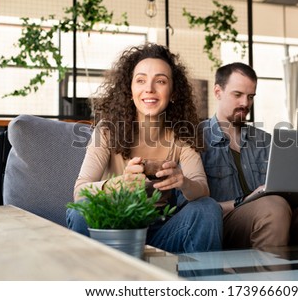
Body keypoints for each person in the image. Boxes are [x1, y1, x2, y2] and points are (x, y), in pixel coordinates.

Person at [66, 43, 223, 253]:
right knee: (81, 211)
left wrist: (182, 181)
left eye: (160, 81)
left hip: (162, 230)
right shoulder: (106, 131)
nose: (149, 88)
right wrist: (120, 184)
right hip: (113, 228)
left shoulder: (182, 135)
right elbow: (80, 193)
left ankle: (203, 285)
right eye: (140, 80)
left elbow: (202, 188)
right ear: (129, 91)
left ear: (173, 92)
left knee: (208, 208)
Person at [200, 62, 298, 250]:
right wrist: (246, 200)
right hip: (228, 222)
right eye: (237, 95)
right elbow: (193, 210)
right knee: (272, 206)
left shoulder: (266, 140)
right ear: (218, 92)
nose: (245, 103)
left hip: (280, 215)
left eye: (250, 97)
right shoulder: (196, 139)